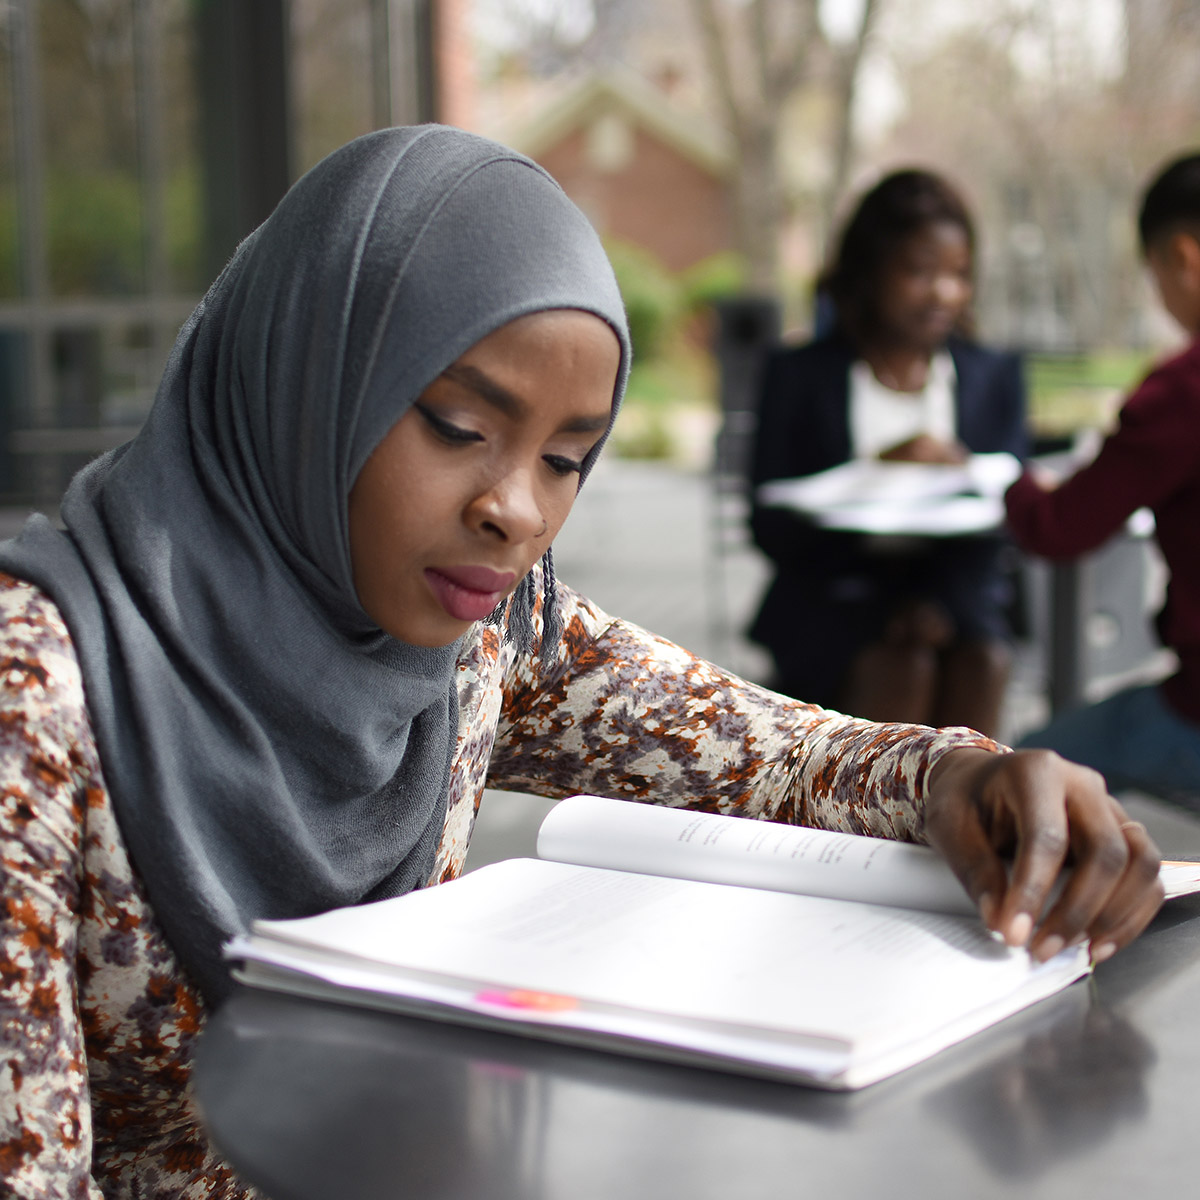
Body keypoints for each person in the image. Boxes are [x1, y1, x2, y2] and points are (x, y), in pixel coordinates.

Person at [0, 127, 1162, 1199]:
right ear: (308, 374)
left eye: (567, 457)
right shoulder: (36, 689)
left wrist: (963, 778)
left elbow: (765, 752)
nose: (516, 511)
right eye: (458, 426)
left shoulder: (481, 631)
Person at [749, 169, 1027, 736]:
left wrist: (937, 603)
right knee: (902, 666)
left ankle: (962, 822)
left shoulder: (992, 376)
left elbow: (1011, 516)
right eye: (919, 272)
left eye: (958, 274)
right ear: (871, 271)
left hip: (961, 599)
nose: (943, 293)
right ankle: (862, 823)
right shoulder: (800, 375)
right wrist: (876, 471)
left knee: (984, 661)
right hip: (834, 600)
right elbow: (770, 525)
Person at [1006, 151, 1200, 804]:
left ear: (1184, 257)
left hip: (1194, 715)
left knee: (1018, 771)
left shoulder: (1182, 392)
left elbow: (1060, 529)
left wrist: (1017, 481)